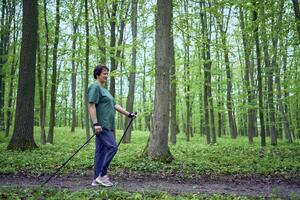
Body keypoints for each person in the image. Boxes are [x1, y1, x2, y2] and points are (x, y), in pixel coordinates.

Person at [88, 64, 136, 187]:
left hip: (108, 124)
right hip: (101, 125)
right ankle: (102, 175)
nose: (106, 76)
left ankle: (95, 180)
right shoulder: (95, 87)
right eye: (104, 73)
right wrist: (96, 123)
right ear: (97, 74)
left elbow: (115, 105)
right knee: (113, 147)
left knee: (100, 152)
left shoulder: (105, 90)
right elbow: (91, 105)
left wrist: (128, 114)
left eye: (107, 74)